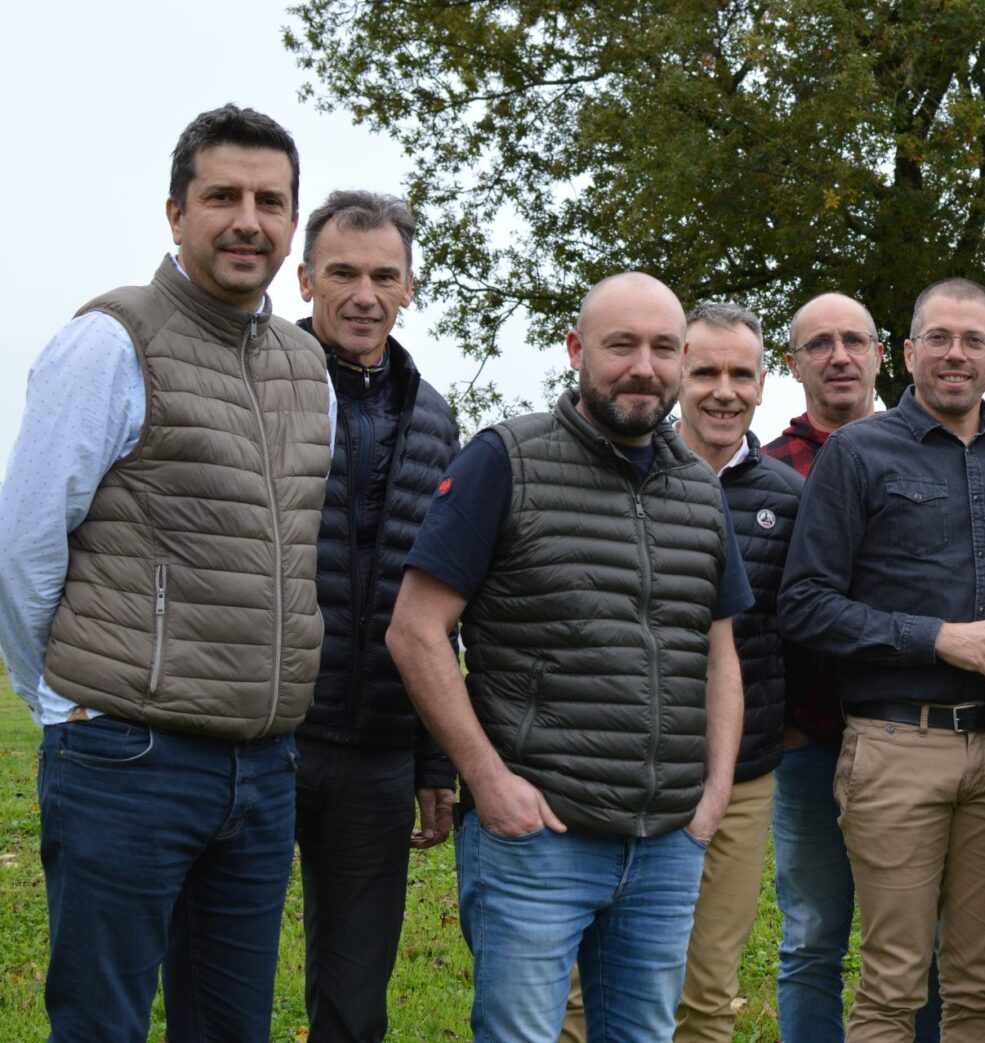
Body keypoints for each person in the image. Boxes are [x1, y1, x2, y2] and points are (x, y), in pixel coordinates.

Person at [0, 104, 333, 1041]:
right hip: (128, 758)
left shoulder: (305, 366)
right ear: (174, 213)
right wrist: (58, 700)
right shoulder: (111, 340)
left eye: (271, 201)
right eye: (221, 195)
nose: (248, 219)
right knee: (103, 1023)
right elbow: (25, 539)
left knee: (230, 1027)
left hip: (263, 767)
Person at [384, 271, 752, 1042]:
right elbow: (416, 630)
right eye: (621, 345)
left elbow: (719, 654)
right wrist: (489, 782)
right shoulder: (503, 460)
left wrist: (714, 793)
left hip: (664, 844)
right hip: (537, 839)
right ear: (577, 349)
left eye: (662, 348)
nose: (643, 367)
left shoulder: (698, 488)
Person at [779, 277, 985, 1041]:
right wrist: (935, 636)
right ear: (907, 353)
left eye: (972, 340)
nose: (955, 353)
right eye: (938, 338)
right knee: (894, 982)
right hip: (893, 743)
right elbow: (805, 602)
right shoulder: (856, 453)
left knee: (979, 982)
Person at [293, 189, 460, 1043]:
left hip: (380, 751)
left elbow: (441, 599)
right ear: (304, 280)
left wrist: (434, 756)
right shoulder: (261, 381)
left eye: (384, 276)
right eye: (344, 273)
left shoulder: (436, 417)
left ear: (408, 288)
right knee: (224, 975)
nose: (364, 294)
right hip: (266, 735)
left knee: (356, 996)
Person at [765, 291, 939, 1042]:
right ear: (793, 362)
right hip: (811, 741)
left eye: (854, 340)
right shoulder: (770, 472)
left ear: (882, 353)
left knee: (918, 944)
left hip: (910, 740)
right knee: (812, 936)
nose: (838, 355)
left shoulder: (932, 458)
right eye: (818, 343)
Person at [670, 302, 805, 1040]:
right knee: (584, 993)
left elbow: (807, 629)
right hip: (628, 766)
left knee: (709, 985)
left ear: (763, 383)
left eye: (739, 374)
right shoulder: (632, 474)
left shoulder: (787, 497)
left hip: (746, 775)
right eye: (705, 371)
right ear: (677, 376)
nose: (723, 390)